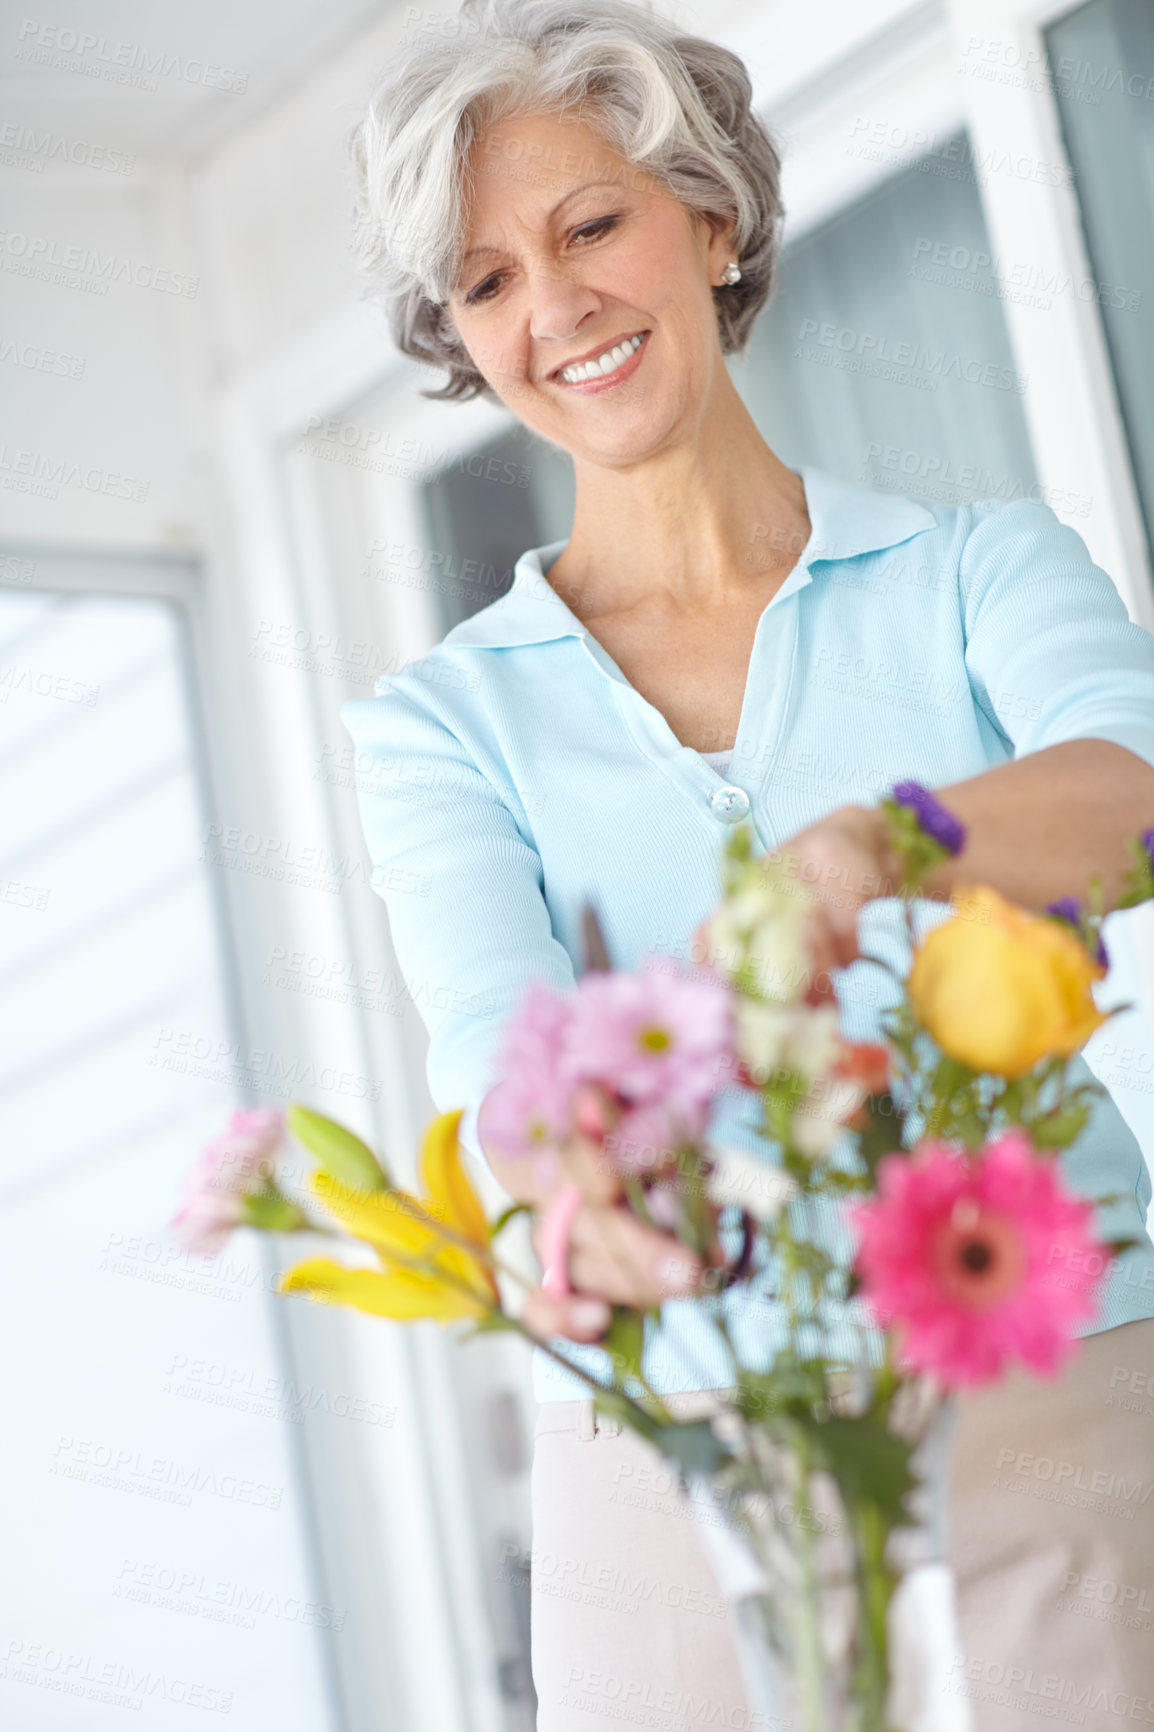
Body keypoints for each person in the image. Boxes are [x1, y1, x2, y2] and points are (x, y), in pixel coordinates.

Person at [341, 1, 1154, 1725]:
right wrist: (564, 1192)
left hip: (1048, 1382)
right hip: (668, 1450)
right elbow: (497, 1039)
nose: (553, 308)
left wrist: (889, 841)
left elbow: (1138, 791)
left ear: (709, 219)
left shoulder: (975, 574)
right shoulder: (442, 723)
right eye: (484, 282)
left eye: (590, 226)